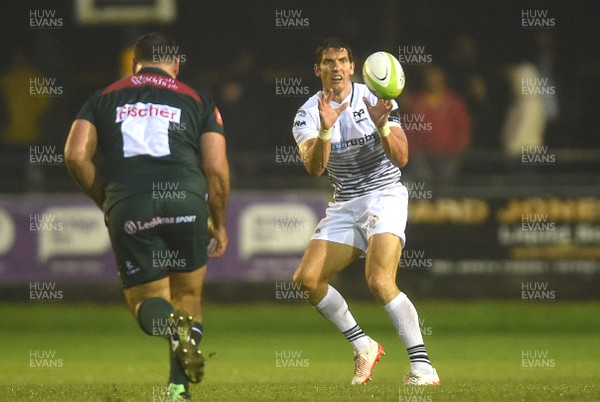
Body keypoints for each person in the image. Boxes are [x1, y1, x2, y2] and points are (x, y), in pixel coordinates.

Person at [64, 32, 230, 401]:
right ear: (175, 64)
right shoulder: (197, 98)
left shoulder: (103, 97)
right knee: (188, 298)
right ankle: (177, 389)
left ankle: (171, 333)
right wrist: (218, 221)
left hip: (131, 203)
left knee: (146, 301)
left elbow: (75, 155)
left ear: (134, 63)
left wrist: (105, 198)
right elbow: (217, 169)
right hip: (186, 203)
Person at [292, 37, 440, 386]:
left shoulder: (375, 96)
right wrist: (326, 129)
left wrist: (383, 125)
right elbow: (314, 167)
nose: (336, 68)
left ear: (352, 67)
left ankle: (423, 367)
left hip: (384, 195)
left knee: (378, 279)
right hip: (345, 203)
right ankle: (364, 344)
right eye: (328, 62)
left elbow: (402, 158)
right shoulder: (307, 113)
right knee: (307, 280)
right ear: (318, 70)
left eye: (342, 61)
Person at [404, 65, 471, 184]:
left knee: (446, 190)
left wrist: (459, 152)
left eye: (436, 77)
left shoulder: (454, 102)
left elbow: (463, 128)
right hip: (421, 155)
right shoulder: (417, 102)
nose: (433, 80)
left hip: (448, 155)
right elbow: (408, 127)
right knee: (423, 187)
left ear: (443, 78)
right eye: (431, 76)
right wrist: (411, 150)